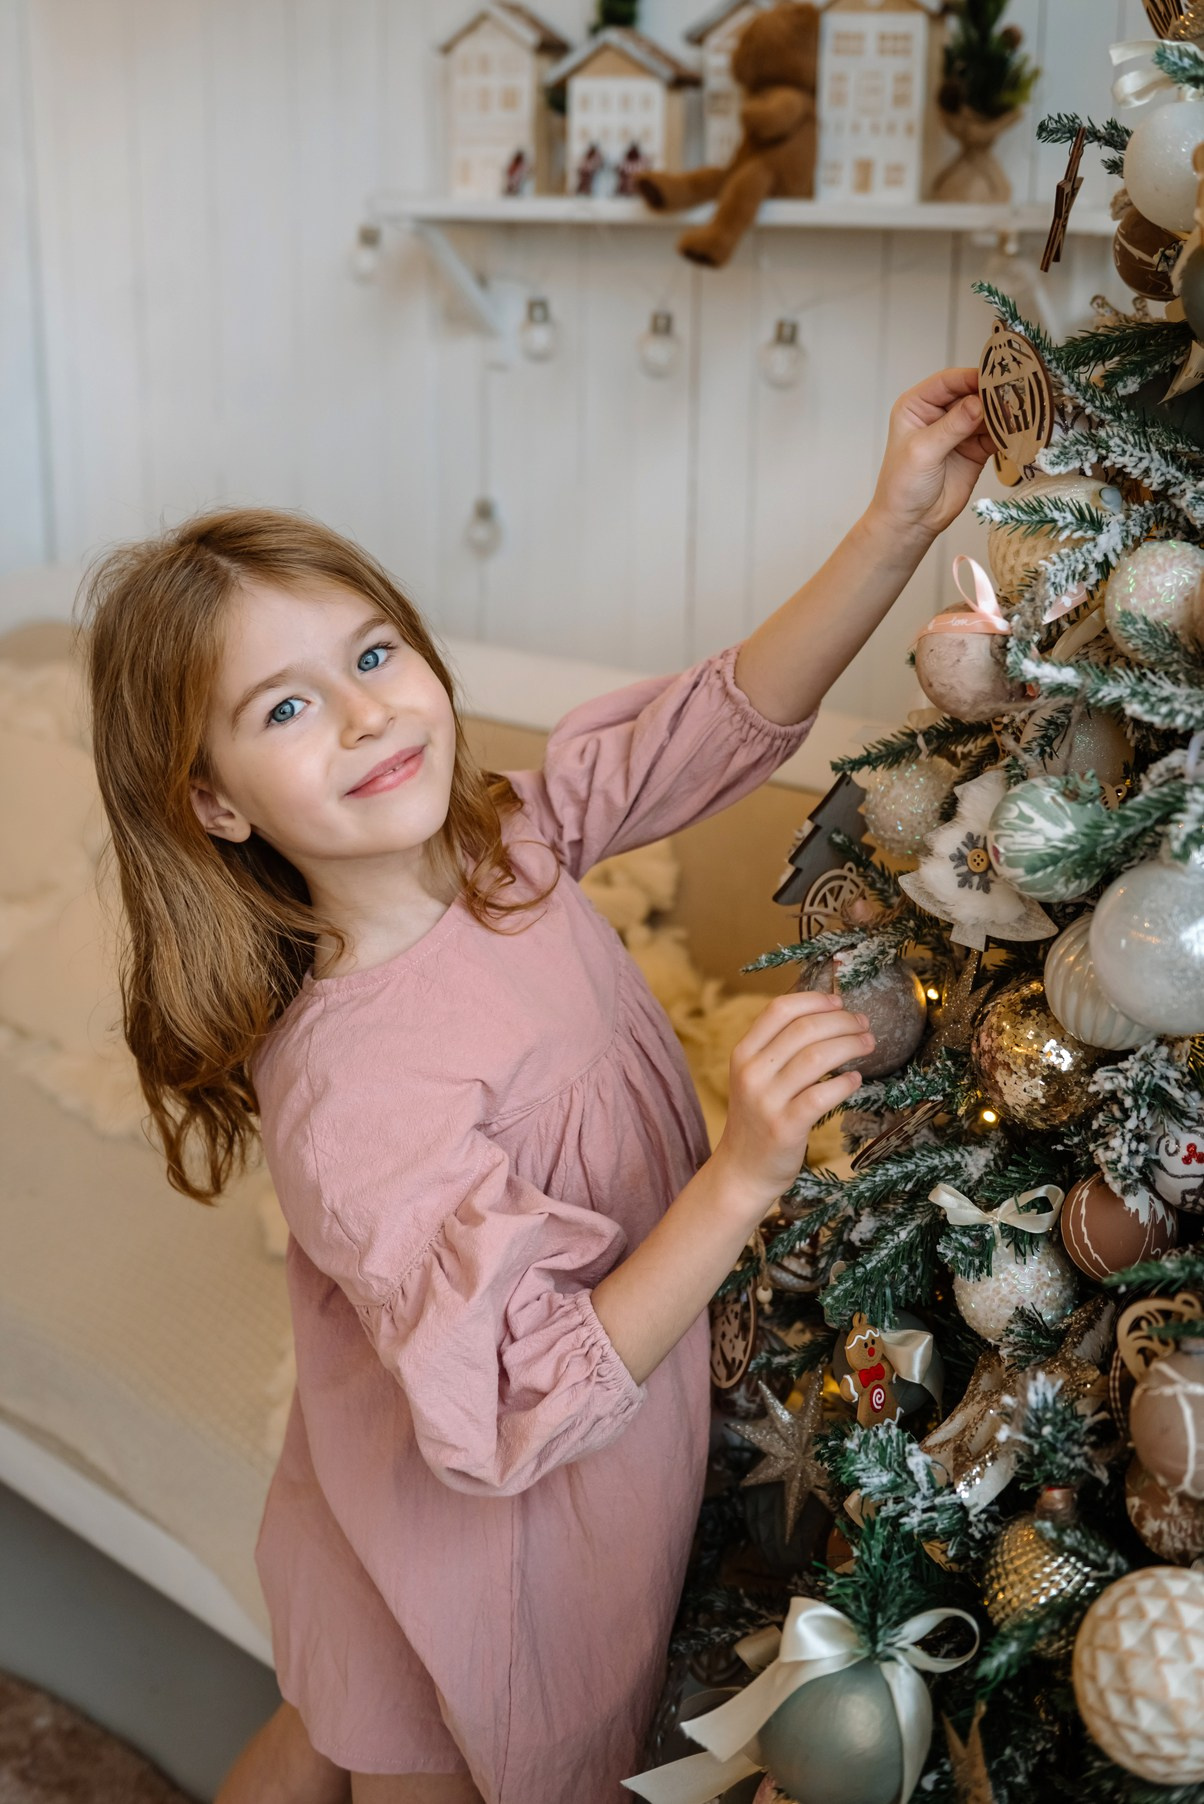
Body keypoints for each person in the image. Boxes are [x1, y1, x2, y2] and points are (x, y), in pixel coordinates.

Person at [79, 369, 992, 1804]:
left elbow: (722, 714)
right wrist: (740, 1173)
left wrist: (893, 524)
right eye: (289, 707)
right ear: (215, 803)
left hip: (382, 1465)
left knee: (336, 1717)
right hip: (484, 1534)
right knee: (415, 1747)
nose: (370, 718)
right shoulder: (351, 1087)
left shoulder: (507, 848)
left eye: (375, 656)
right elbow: (520, 1401)